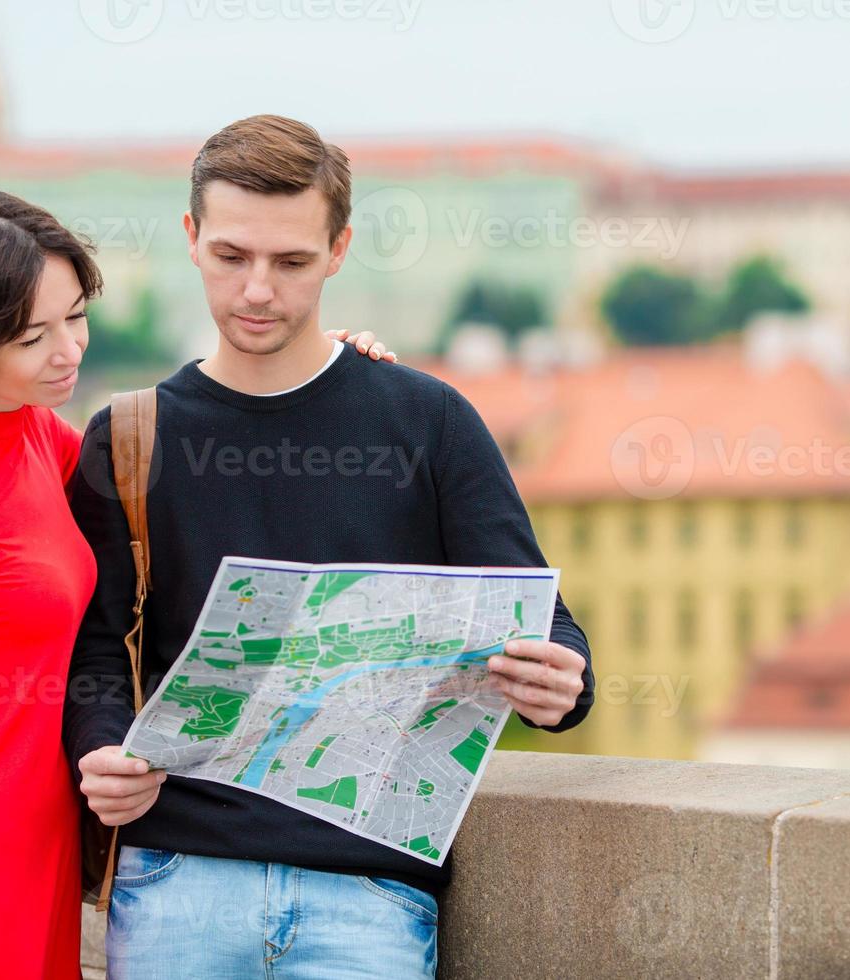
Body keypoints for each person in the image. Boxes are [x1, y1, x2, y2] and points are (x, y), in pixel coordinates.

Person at [0, 186, 394, 979]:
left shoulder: (45, 441)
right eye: (31, 336)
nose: (68, 351)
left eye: (76, 316)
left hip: (42, 857)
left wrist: (326, 373)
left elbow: (184, 475)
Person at [63, 114, 595, 980]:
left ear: (340, 249)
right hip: (175, 883)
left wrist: (562, 680)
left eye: (292, 262)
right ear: (191, 239)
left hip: (368, 892)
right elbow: (94, 645)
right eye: (232, 256)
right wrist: (100, 745)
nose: (258, 291)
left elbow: (546, 621)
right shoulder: (127, 439)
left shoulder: (427, 421)